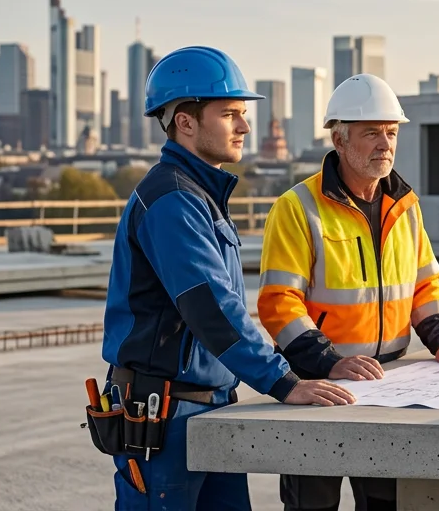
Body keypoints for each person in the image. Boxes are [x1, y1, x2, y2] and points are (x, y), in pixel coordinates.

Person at [100, 46, 356, 509]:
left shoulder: (199, 194)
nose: (244, 126)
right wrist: (283, 381)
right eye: (230, 113)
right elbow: (213, 308)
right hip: (167, 414)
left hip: (208, 404)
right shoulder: (172, 201)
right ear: (186, 121)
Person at [257, 73, 439, 511]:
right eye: (371, 133)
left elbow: (424, 284)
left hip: (392, 386)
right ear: (340, 140)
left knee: (387, 502)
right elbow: (278, 303)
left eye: (391, 132)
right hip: (320, 388)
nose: (385, 143)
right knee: (314, 505)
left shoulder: (406, 205)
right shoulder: (297, 208)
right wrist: (330, 362)